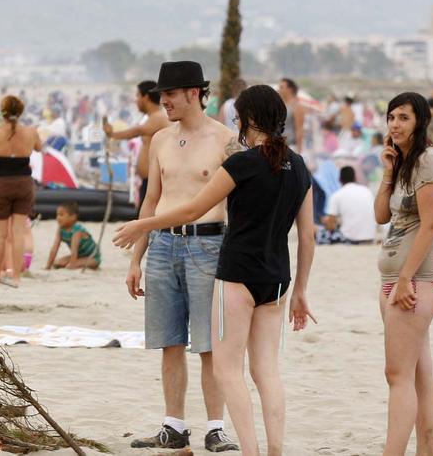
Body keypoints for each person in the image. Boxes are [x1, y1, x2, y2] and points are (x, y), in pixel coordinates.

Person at [114, 84, 316, 456]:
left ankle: (252, 452)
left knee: (228, 370)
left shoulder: (241, 163)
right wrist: (301, 289)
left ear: (251, 119)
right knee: (267, 371)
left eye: (239, 117)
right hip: (278, 280)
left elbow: (192, 210)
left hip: (238, 276)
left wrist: (142, 225)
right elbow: (308, 236)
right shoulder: (300, 165)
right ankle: (275, 450)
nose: (235, 123)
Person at [122, 61, 239, 452]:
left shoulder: (226, 140)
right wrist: (136, 258)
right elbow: (151, 200)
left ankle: (215, 427)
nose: (163, 101)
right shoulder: (160, 140)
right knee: (168, 340)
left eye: (169, 94)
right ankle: (173, 425)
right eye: (160, 95)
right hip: (162, 245)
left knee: (208, 343)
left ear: (194, 93)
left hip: (208, 244)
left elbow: (239, 206)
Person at [373, 92, 433, 456]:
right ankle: (427, 451)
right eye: (391, 117)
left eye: (403, 117)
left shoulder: (428, 163)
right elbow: (380, 216)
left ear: (421, 121)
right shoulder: (406, 164)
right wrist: (388, 172)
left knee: (397, 375)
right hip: (397, 283)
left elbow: (431, 224)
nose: (395, 124)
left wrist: (405, 279)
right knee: (419, 375)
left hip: (416, 283)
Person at [0, 95, 42, 287]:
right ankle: (15, 276)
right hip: (23, 183)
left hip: (0, 183)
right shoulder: (30, 132)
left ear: (2, 112)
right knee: (18, 231)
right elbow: (39, 148)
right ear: (20, 112)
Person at [104, 81, 169, 208]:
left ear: (145, 97)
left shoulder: (158, 117)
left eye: (137, 96)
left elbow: (137, 131)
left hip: (155, 182)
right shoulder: (152, 118)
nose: (135, 100)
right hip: (149, 181)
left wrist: (112, 134)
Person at [323, 166, 377, 244]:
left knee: (320, 233)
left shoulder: (336, 195)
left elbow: (330, 226)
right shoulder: (367, 191)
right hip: (370, 237)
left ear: (339, 180)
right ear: (355, 178)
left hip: (349, 239)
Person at [45, 202, 100, 270]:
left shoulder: (77, 230)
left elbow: (74, 250)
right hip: (79, 256)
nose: (58, 218)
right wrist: (48, 266)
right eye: (57, 215)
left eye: (61, 215)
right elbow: (55, 247)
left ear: (73, 217)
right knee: (57, 263)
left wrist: (71, 265)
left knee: (70, 266)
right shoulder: (60, 229)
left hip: (92, 258)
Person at [278, 78, 306, 155]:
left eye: (281, 87)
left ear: (290, 89)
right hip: (279, 146)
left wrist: (299, 151)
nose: (279, 90)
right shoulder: (281, 105)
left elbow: (299, 129)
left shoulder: (297, 106)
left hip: (291, 146)